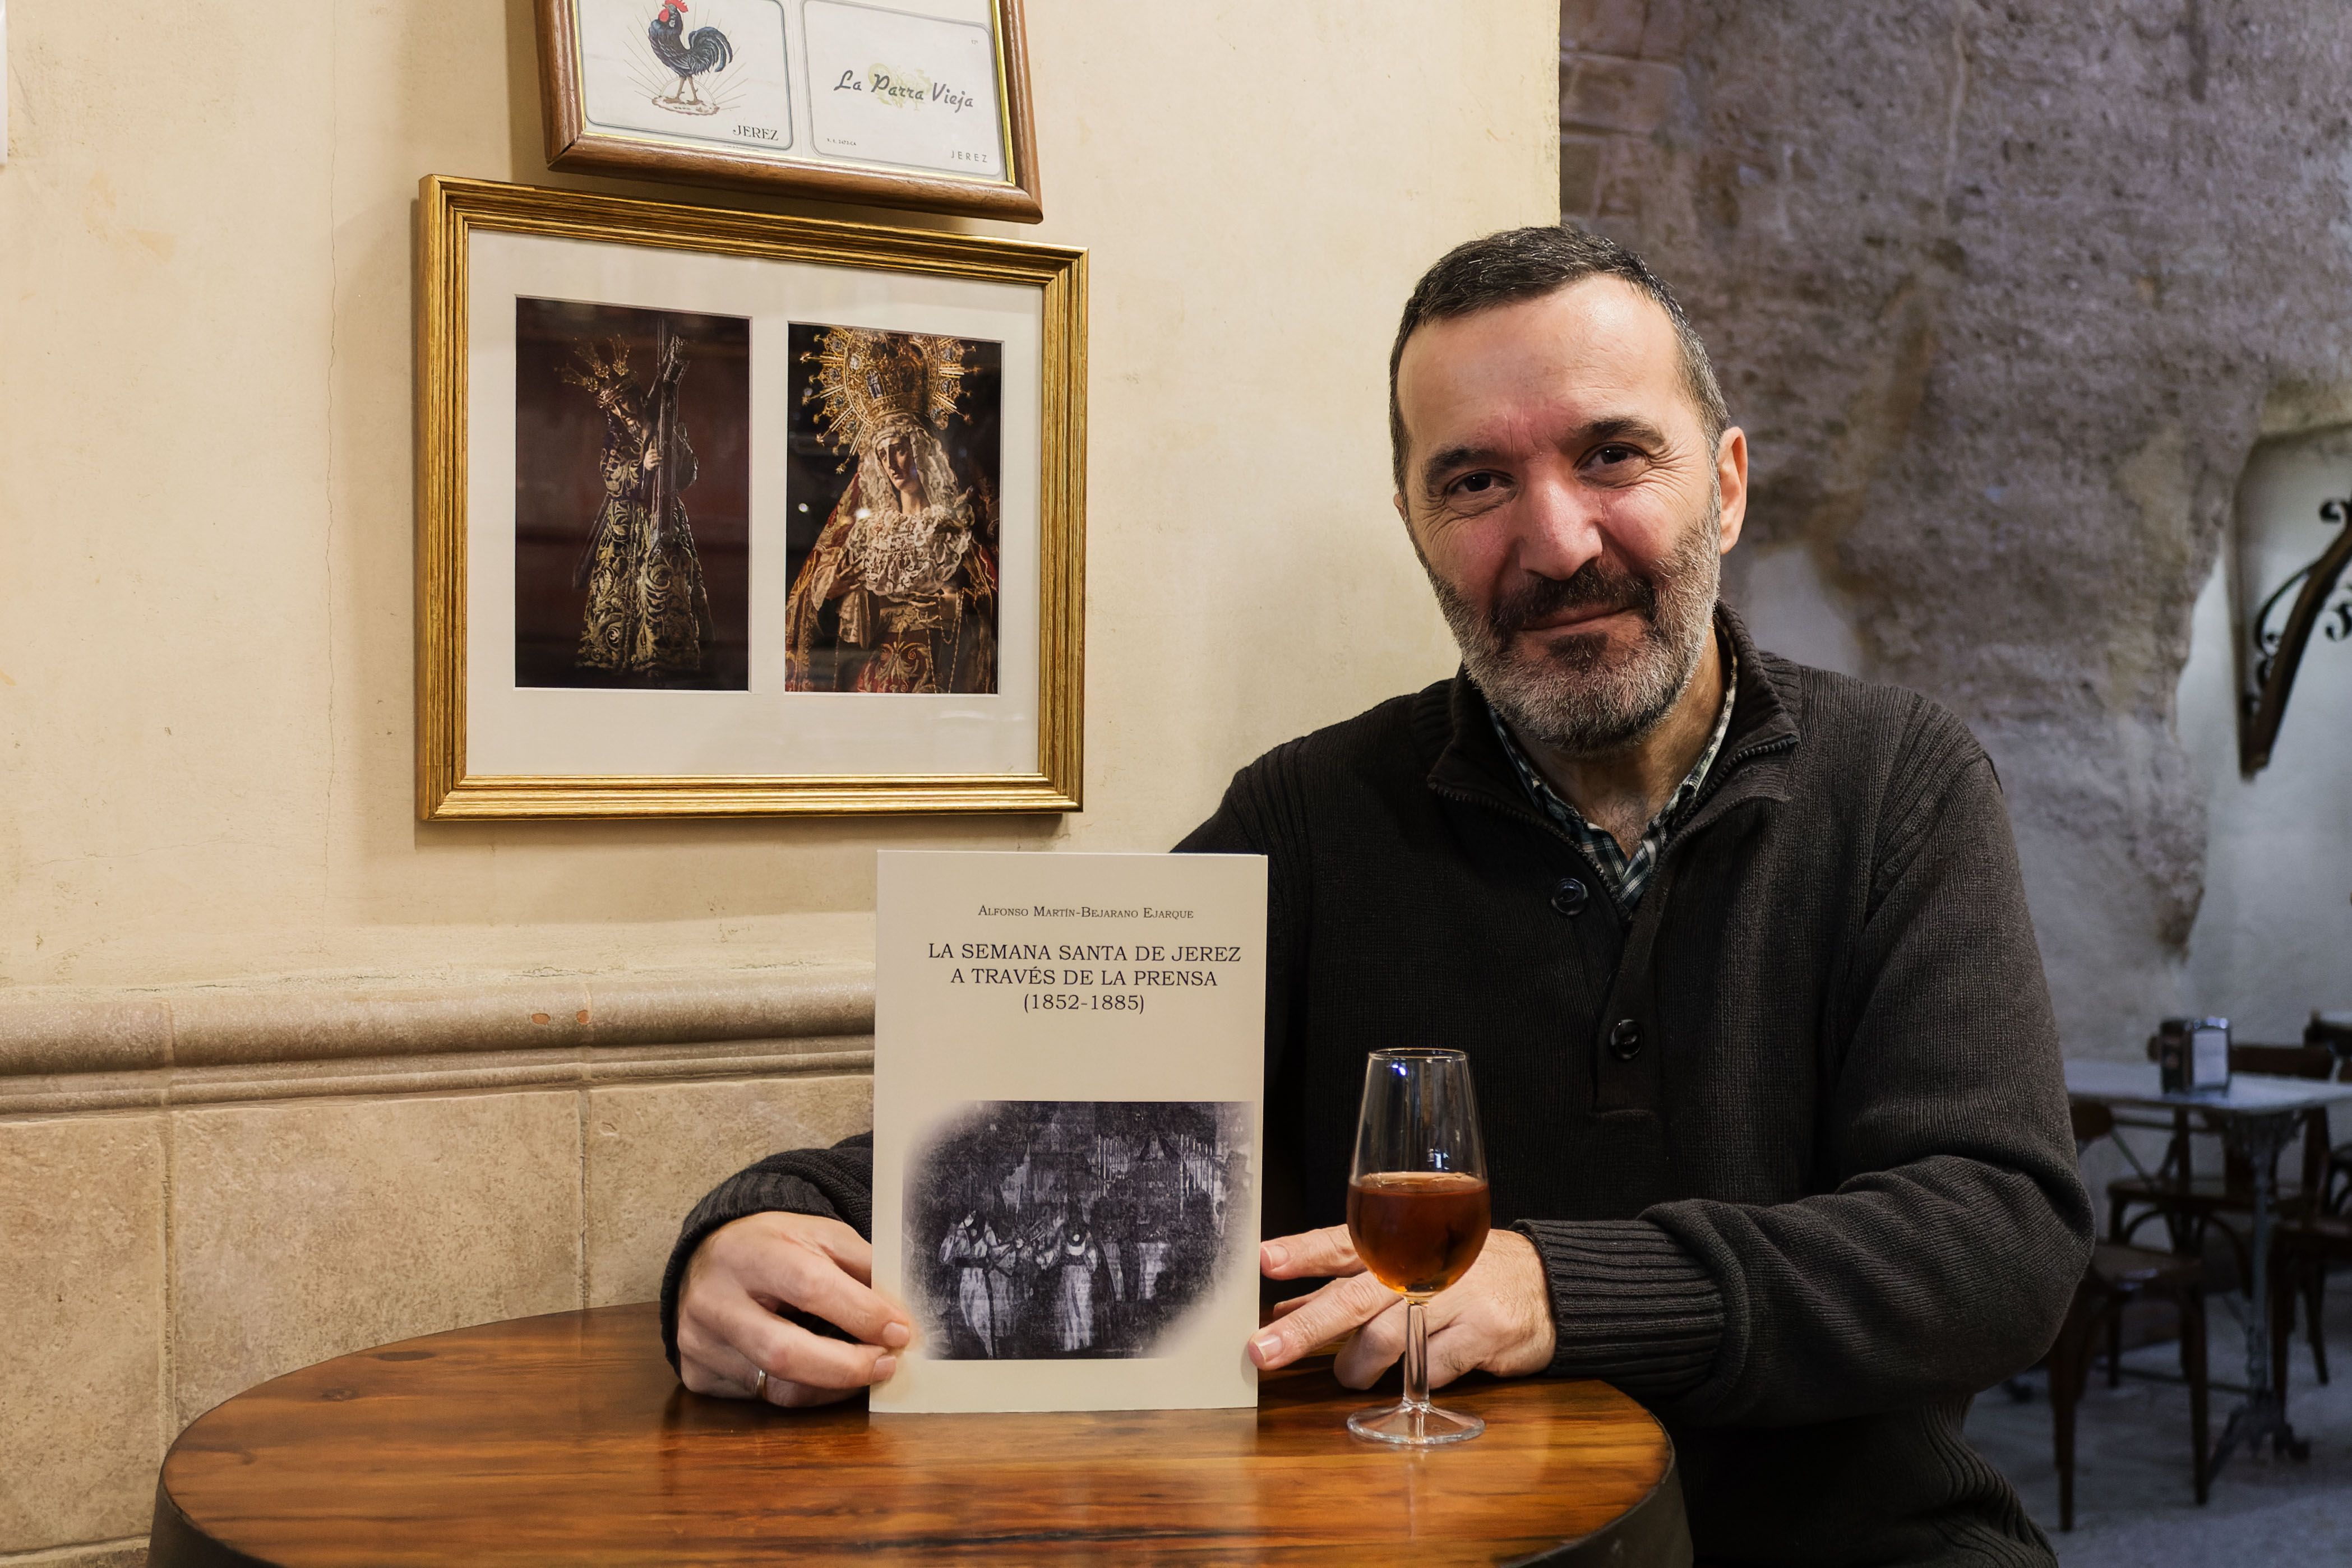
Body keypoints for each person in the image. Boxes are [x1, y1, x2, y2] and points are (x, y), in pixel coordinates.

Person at [664, 225, 2091, 1566]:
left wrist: (1556, 1285)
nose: (1557, 539)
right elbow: (1024, 1120)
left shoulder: (1901, 782)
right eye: (1474, 481)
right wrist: (751, 1231)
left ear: (1722, 479)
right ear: (1414, 522)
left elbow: (1999, 1233)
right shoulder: (1309, 815)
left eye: (1612, 455)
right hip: (1429, 1539)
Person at [784, 329, 999, 694]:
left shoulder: (954, 526)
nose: (892, 465)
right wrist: (831, 595)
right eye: (882, 455)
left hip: (942, 680)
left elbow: (994, 598)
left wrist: (953, 603)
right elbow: (805, 613)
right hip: (872, 686)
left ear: (922, 449)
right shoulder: (866, 532)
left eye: (899, 449)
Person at [560, 332, 714, 681]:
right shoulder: (615, 438)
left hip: (662, 516)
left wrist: (670, 445)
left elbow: (688, 473)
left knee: (663, 585)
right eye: (612, 406)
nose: (620, 410)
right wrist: (640, 467)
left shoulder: (665, 425)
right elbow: (610, 475)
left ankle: (665, 652)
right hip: (624, 525)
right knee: (619, 590)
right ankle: (615, 655)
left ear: (635, 395)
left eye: (623, 400)